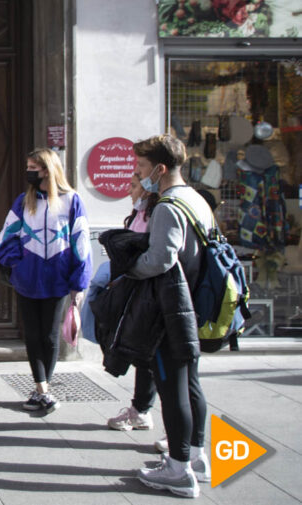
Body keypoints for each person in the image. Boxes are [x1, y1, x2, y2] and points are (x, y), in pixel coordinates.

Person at [127, 134, 212, 498]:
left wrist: (128, 266)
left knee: (172, 387)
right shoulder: (197, 200)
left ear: (160, 169)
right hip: (192, 305)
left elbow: (160, 259)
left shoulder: (167, 205)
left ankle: (178, 469)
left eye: (142, 167)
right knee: (190, 384)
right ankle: (196, 456)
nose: (138, 173)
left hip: (169, 311)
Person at [0, 148, 92, 415]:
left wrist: (79, 283)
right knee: (32, 335)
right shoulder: (24, 202)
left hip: (57, 282)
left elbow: (81, 244)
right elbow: (6, 238)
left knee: (49, 337)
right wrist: (18, 264)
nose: (28, 172)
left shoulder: (72, 201)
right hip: (27, 281)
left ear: (48, 170)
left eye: (32, 168)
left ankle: (43, 389)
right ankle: (42, 389)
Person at [105, 174, 159, 432]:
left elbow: (153, 255)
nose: (129, 190)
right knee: (142, 355)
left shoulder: (157, 214)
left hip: (150, 294)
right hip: (136, 291)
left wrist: (128, 268)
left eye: (133, 185)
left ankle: (145, 412)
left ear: (147, 190)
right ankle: (140, 409)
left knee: (154, 360)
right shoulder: (139, 213)